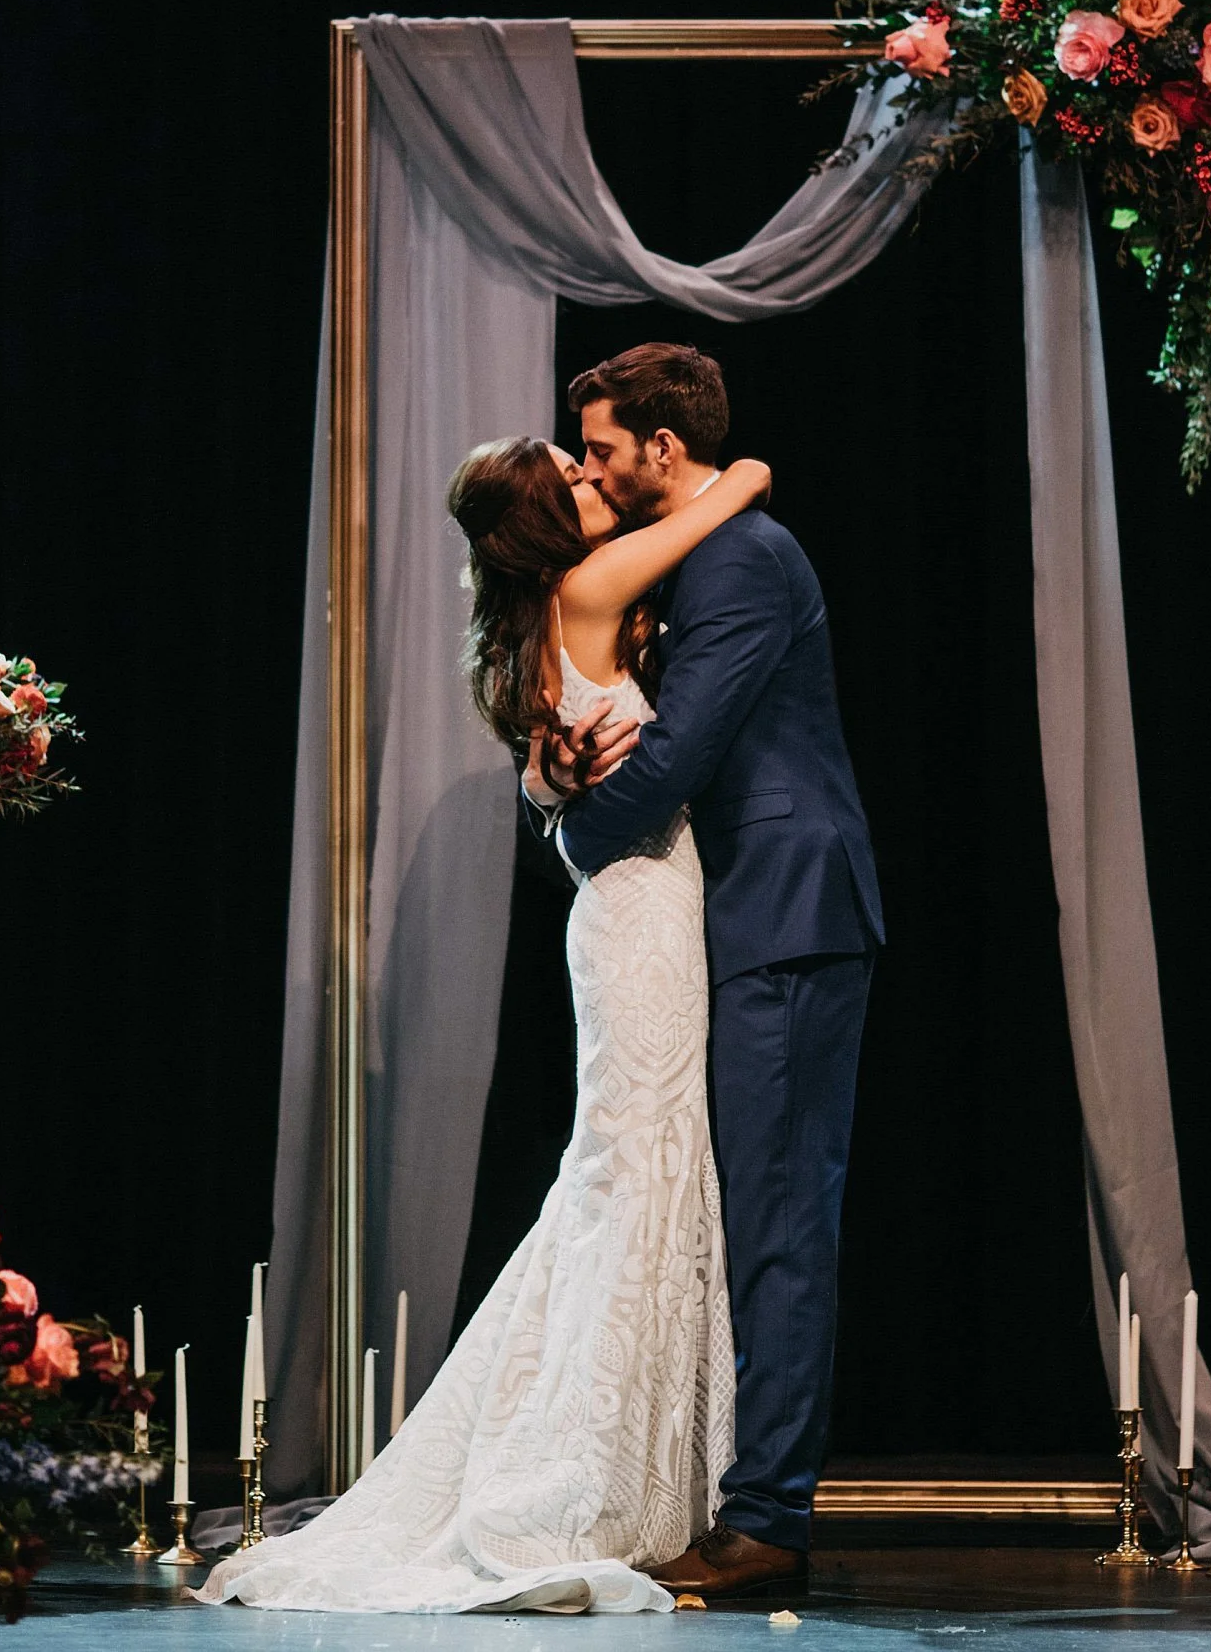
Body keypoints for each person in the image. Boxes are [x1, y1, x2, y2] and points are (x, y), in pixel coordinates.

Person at [196, 434, 770, 1616]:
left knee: (622, 1171)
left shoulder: (540, 615)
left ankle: (610, 1456)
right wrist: (743, 468)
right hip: (640, 911)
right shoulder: (588, 586)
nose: (596, 482)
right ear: (544, 523)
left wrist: (555, 785)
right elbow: (736, 493)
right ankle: (584, 1468)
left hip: (629, 910)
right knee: (631, 1171)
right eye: (574, 478)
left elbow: (553, 776)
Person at [527, 344, 883, 1601]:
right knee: (744, 1214)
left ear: (664, 450)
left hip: (785, 912)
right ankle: (724, 1491)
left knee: (782, 1220)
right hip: (739, 917)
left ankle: (767, 1519)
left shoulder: (738, 557)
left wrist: (571, 833)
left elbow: (682, 754)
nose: (597, 470)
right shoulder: (696, 553)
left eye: (608, 449)